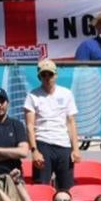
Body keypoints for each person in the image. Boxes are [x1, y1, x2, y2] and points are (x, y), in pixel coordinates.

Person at [24, 60, 79, 190]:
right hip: (43, 144)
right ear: (39, 77)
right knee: (41, 188)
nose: (47, 78)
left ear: (56, 75)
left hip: (64, 146)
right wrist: (34, 151)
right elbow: (30, 126)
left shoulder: (66, 93)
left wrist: (75, 149)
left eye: (50, 74)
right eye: (44, 75)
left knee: (67, 189)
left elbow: (71, 123)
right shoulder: (32, 96)